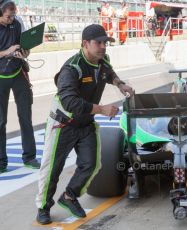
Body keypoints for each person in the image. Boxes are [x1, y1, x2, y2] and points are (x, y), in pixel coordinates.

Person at [35, 24, 134, 225]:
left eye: (105, 42)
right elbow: (69, 102)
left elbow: (109, 72)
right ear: (85, 44)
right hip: (63, 124)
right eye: (98, 42)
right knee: (52, 168)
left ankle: (69, 196)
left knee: (92, 164)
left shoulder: (102, 60)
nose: (103, 46)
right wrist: (101, 109)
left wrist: (120, 84)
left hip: (85, 123)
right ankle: (43, 207)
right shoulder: (72, 68)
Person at [0, 0, 40, 173]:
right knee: (1, 122)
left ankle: (29, 157)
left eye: (14, 15)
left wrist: (24, 51)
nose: (12, 19)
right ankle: (1, 162)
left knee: (25, 116)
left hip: (18, 74)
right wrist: (7, 51)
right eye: (9, 16)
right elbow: (6, 50)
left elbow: (26, 46)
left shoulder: (18, 23)